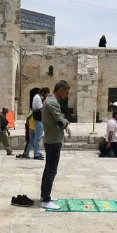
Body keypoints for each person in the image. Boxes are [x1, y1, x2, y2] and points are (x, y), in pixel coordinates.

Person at [40, 81, 72, 210]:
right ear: (60, 90)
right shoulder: (52, 102)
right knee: (51, 171)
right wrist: (67, 125)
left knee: (48, 169)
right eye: (66, 92)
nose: (67, 95)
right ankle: (46, 200)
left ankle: (44, 195)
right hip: (53, 141)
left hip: (51, 139)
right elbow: (59, 118)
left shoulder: (51, 100)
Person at [32, 88, 49, 160]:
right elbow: (41, 108)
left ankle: (38, 152)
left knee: (38, 137)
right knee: (37, 138)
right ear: (44, 93)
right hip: (38, 120)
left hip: (39, 120)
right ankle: (36, 154)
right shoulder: (37, 97)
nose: (46, 96)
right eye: (46, 94)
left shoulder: (39, 97)